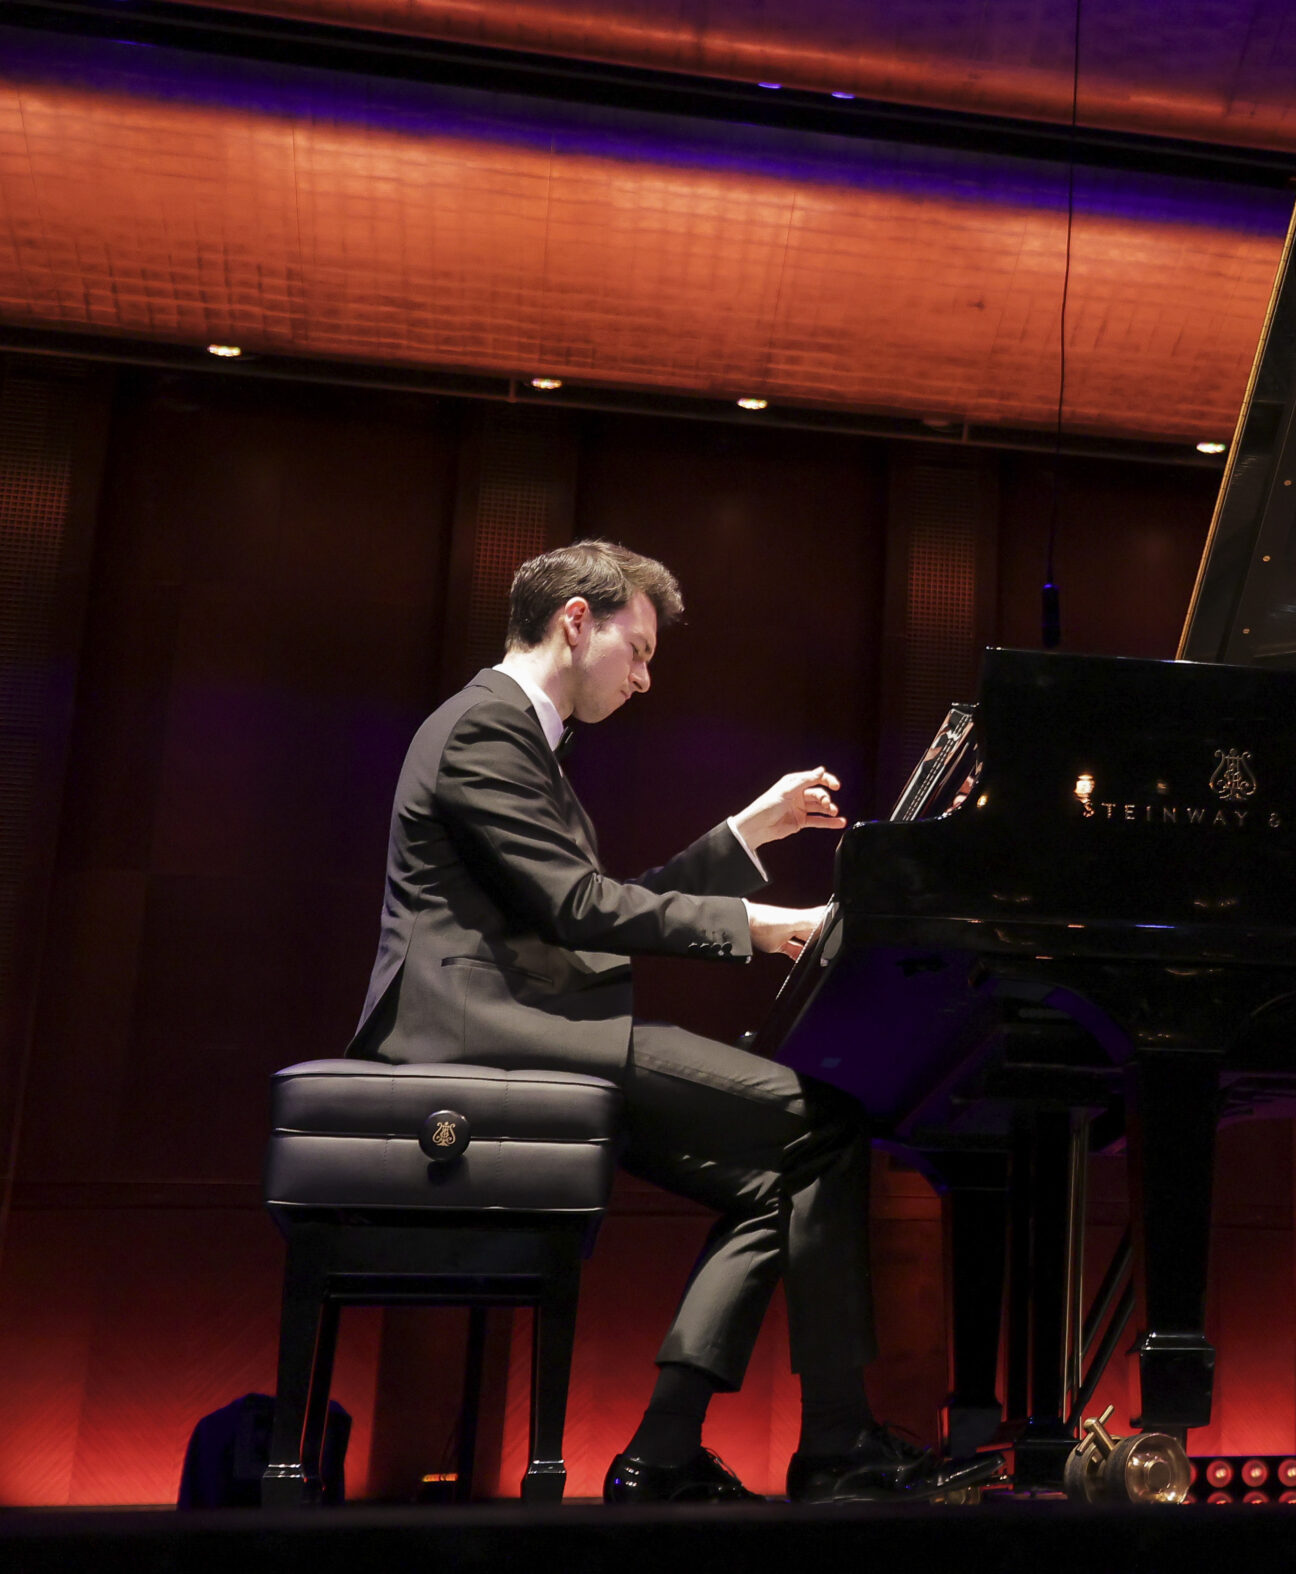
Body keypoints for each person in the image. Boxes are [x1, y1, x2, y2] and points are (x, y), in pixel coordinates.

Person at [349, 539, 942, 1504]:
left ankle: (669, 1452)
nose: (646, 678)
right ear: (577, 621)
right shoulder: (484, 731)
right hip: (483, 1035)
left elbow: (587, 908)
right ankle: (835, 1441)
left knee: (774, 1183)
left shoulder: (516, 735)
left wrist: (750, 836)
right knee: (825, 1125)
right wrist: (754, 925)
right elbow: (585, 910)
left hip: (526, 1020)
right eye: (641, 650)